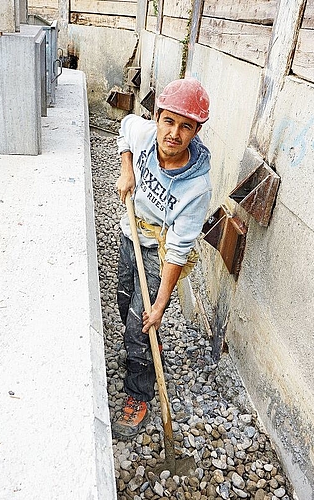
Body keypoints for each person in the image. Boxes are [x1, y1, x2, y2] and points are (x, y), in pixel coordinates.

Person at [113, 77, 212, 439]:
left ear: (196, 131)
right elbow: (124, 128)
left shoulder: (195, 187)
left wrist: (160, 304)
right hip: (130, 233)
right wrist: (127, 170)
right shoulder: (144, 135)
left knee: (143, 324)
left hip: (159, 251)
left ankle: (138, 393)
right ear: (157, 117)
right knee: (125, 304)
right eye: (169, 121)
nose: (174, 133)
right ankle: (142, 352)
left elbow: (178, 250)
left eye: (186, 126)